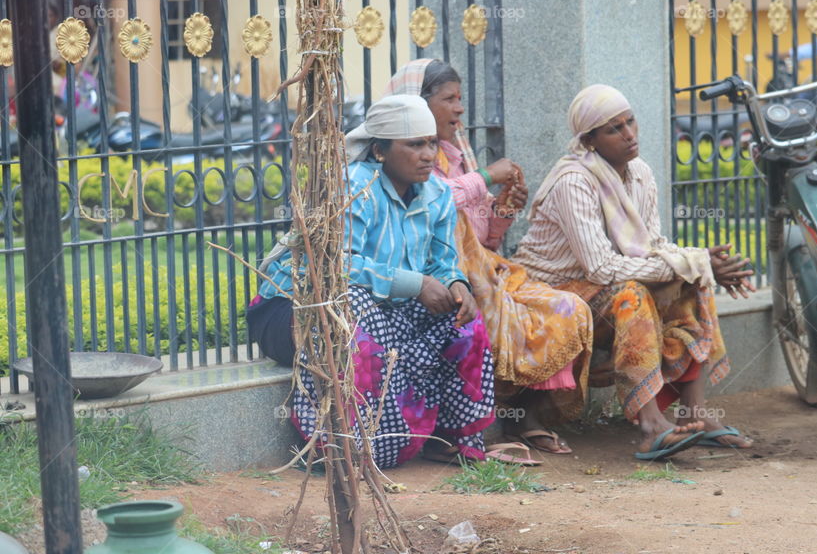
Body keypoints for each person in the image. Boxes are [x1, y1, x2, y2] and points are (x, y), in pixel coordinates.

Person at [512, 84, 756, 460]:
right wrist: (686, 262)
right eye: (614, 129)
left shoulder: (639, 173)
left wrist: (696, 263)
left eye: (630, 122)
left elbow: (652, 243)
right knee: (634, 294)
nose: (629, 134)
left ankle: (696, 411)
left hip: (598, 285)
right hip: (550, 289)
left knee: (691, 281)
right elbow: (600, 266)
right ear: (590, 140)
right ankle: (650, 425)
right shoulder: (573, 181)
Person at [254, 95, 497, 469]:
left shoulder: (436, 196)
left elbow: (443, 262)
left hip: (383, 313)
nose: (428, 155)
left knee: (463, 319)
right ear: (381, 151)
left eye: (431, 142)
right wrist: (415, 284)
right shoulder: (352, 188)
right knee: (355, 305)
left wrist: (456, 285)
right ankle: (346, 448)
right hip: (295, 311)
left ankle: (450, 439)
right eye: (414, 145)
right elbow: (337, 269)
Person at [384, 59, 594, 456]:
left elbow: (483, 241)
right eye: (449, 99)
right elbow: (434, 203)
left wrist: (501, 211)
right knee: (508, 314)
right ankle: (495, 422)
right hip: (442, 278)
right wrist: (487, 178)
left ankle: (527, 415)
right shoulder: (402, 160)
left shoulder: (454, 154)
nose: (460, 109)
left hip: (485, 270)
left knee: (569, 308)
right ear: (417, 103)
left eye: (460, 98)